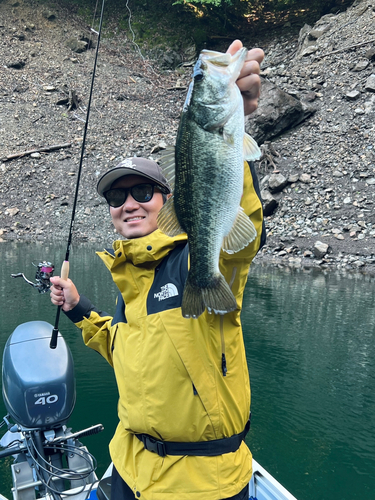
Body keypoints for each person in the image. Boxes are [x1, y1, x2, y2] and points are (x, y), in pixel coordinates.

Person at [50, 40, 265, 500]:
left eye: (142, 193)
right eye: (115, 197)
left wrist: (240, 112)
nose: (128, 204)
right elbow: (132, 354)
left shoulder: (199, 260)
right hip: (129, 468)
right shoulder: (132, 277)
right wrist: (77, 307)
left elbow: (240, 225)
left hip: (202, 484)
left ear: (169, 199)